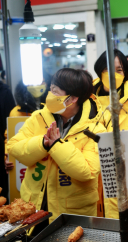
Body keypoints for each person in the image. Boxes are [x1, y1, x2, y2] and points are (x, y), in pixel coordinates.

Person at [7, 68, 106, 224]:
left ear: (72, 99)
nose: (49, 94)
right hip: (34, 207)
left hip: (72, 214)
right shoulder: (38, 117)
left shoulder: (96, 130)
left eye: (55, 91)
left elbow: (87, 172)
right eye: (50, 88)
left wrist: (56, 145)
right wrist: (43, 143)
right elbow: (13, 147)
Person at [93, 49, 128, 220]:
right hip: (89, 193)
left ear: (126, 73)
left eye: (119, 70)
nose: (113, 75)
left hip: (124, 192)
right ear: (99, 71)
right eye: (107, 69)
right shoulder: (86, 102)